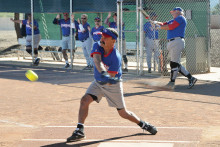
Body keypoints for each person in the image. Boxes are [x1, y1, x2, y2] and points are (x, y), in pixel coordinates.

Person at [66, 28, 157, 142]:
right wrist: (104, 73)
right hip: (98, 82)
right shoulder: (97, 45)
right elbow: (97, 61)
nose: (102, 39)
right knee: (84, 100)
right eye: (102, 36)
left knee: (123, 113)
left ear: (113, 41)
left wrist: (109, 78)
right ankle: (80, 130)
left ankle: (143, 124)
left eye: (105, 37)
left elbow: (111, 78)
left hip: (113, 85)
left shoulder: (116, 57)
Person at [152, 7, 197, 89]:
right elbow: (164, 24)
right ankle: (191, 78)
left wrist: (159, 27)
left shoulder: (180, 18)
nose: (172, 13)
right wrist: (156, 22)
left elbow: (171, 27)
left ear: (178, 12)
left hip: (177, 41)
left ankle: (172, 82)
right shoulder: (174, 19)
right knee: (176, 64)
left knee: (173, 64)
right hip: (172, 42)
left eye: (174, 12)